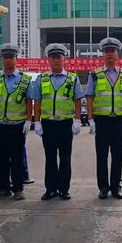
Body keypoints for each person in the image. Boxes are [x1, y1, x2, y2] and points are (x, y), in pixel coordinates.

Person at [31, 43, 85, 200]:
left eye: (58, 57)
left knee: (65, 158)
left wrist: (77, 121)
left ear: (64, 59)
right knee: (50, 158)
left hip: (65, 124)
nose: (56, 60)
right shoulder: (42, 79)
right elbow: (38, 101)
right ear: (48, 60)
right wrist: (38, 122)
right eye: (53, 58)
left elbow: (77, 100)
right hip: (48, 124)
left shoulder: (72, 78)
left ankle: (64, 189)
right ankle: (50, 189)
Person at [86, 37, 122, 200]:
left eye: (112, 51)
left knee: (117, 155)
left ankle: (116, 187)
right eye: (106, 51)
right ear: (103, 54)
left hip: (119, 121)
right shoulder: (95, 75)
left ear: (117, 54)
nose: (109, 54)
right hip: (101, 121)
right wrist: (91, 119)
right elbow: (90, 97)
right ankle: (103, 187)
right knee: (101, 155)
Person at [0, 44, 33, 200]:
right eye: (5, 58)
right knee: (0, 159)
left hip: (17, 126)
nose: (7, 61)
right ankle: (3, 188)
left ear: (16, 59)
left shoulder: (25, 80)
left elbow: (29, 102)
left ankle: (18, 188)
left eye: (10, 58)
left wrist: (28, 121)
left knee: (17, 159)